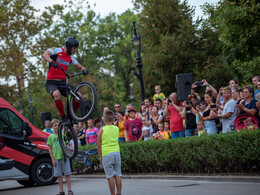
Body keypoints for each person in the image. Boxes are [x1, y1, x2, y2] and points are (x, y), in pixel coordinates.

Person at [43, 37, 88, 121]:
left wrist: (84, 70)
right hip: (51, 83)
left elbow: (79, 66)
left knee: (78, 97)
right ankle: (63, 116)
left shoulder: (71, 57)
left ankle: (72, 116)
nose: (75, 51)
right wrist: (52, 62)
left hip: (63, 84)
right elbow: (45, 54)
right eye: (74, 48)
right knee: (57, 94)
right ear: (69, 46)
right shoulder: (56, 50)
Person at [97, 110, 122, 195]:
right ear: (112, 119)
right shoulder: (116, 128)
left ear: (104, 120)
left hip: (107, 153)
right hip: (116, 152)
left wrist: (100, 157)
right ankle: (119, 193)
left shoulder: (102, 130)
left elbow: (99, 145)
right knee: (118, 174)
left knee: (110, 176)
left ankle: (113, 194)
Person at [47, 119, 73, 195]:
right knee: (59, 175)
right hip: (56, 158)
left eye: (58, 125)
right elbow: (50, 148)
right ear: (52, 127)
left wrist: (67, 146)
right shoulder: (50, 137)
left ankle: (69, 190)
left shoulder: (62, 134)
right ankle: (61, 191)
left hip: (64, 157)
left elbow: (67, 143)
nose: (56, 127)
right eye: (55, 125)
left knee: (67, 174)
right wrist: (52, 159)